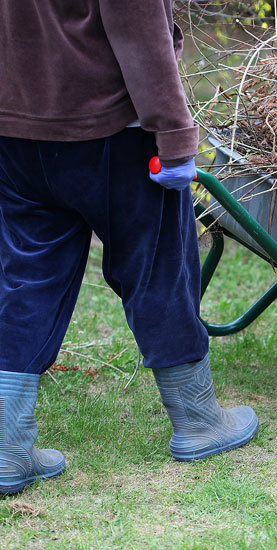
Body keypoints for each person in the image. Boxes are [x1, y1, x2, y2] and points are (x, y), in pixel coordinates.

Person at [0, 1, 258, 495]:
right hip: (111, 129)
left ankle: (6, 447)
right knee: (158, 264)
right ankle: (199, 420)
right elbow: (139, 28)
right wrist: (177, 137)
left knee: (25, 277)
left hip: (18, 130)